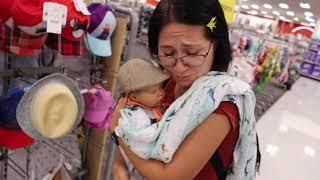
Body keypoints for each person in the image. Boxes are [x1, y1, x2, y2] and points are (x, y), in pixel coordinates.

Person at [111, 0, 260, 179]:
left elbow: (170, 177)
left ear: (216, 45)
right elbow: (132, 132)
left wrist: (116, 130)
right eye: (168, 53)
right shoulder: (162, 83)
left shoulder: (222, 103)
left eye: (192, 53)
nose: (179, 68)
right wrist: (120, 166)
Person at [113, 58, 170, 180]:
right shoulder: (135, 116)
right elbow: (144, 137)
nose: (161, 93)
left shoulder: (149, 106)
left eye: (161, 87)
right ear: (134, 95)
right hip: (143, 169)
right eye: (154, 91)